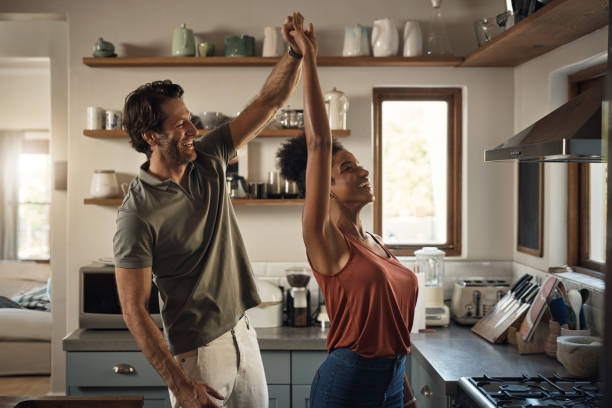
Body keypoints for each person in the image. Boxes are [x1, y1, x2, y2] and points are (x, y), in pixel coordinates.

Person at [112, 14, 304, 408]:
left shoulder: (209, 157)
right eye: (180, 124)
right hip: (196, 355)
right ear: (151, 137)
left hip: (243, 333)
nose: (193, 131)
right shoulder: (137, 213)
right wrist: (181, 385)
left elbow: (268, 102)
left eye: (191, 119)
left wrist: (294, 54)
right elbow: (133, 310)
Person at [277, 13, 419, 408]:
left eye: (358, 165)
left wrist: (403, 393)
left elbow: (392, 331)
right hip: (348, 384)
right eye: (348, 168)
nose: (363, 172)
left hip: (393, 382)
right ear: (326, 188)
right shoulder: (325, 240)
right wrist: (308, 58)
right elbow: (320, 144)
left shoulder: (373, 241)